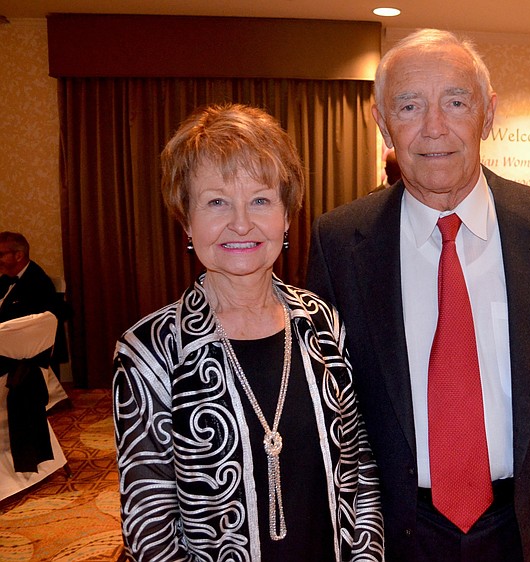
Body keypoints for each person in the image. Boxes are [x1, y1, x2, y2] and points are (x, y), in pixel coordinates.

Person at [306, 29, 530, 562]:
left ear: (488, 115)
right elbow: (328, 410)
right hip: (395, 532)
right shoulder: (339, 242)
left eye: (456, 102)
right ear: (382, 123)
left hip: (525, 526)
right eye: (409, 106)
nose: (434, 128)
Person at [112, 103, 384, 561]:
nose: (241, 223)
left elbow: (360, 470)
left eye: (260, 200)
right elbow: (151, 530)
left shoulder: (322, 322)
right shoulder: (151, 351)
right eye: (216, 202)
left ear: (287, 216)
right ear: (186, 220)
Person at [0, 231, 70, 407]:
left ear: (18, 255)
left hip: (22, 344)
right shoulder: (6, 279)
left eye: (0, 254)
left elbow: (30, 321)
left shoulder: (37, 282)